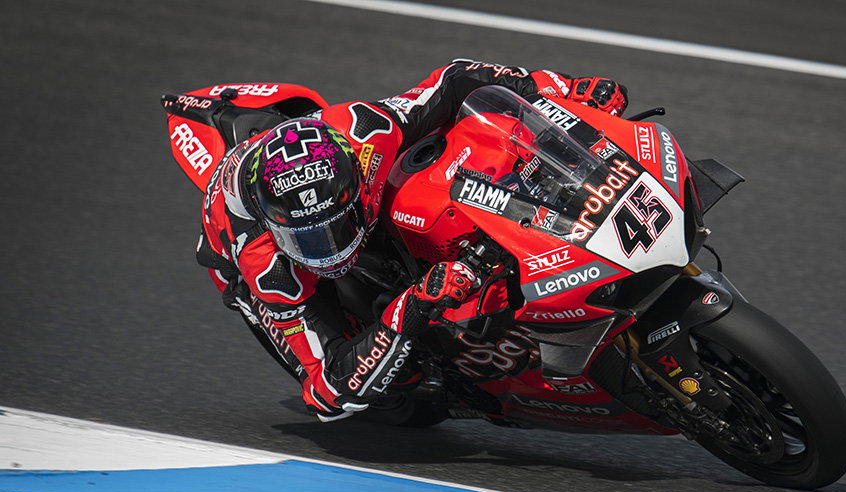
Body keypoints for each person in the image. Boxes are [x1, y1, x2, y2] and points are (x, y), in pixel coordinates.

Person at [196, 59, 628, 421]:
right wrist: (410, 310)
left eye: (337, 228)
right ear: (275, 228)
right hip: (240, 260)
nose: (329, 248)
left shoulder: (368, 132)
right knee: (388, 381)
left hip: (334, 174)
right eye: (310, 239)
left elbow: (455, 79)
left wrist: (563, 88)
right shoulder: (264, 264)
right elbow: (326, 393)